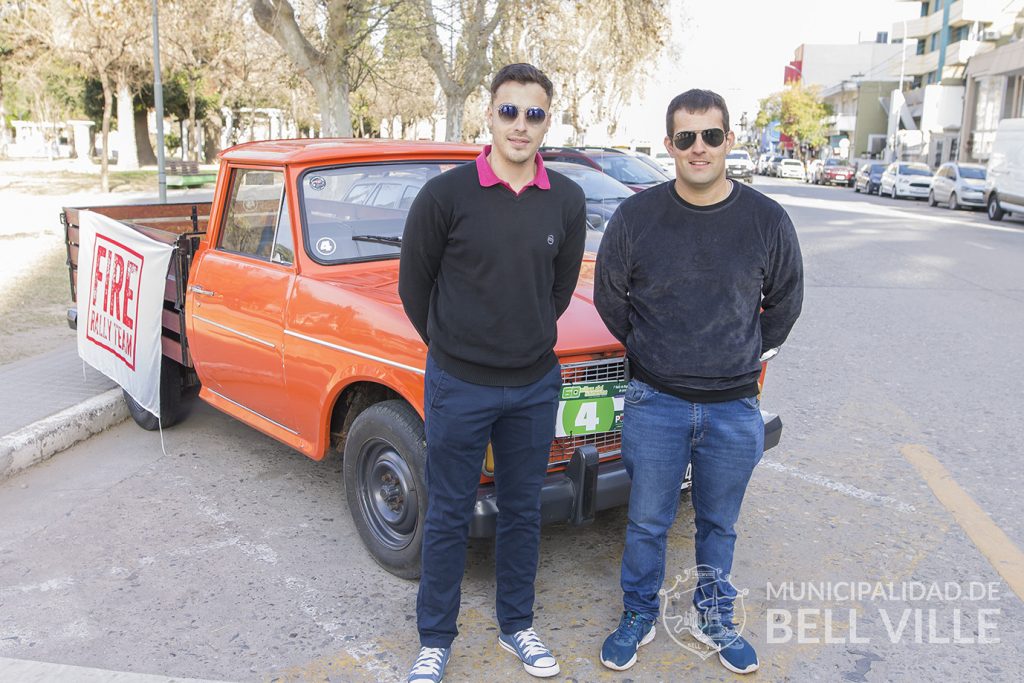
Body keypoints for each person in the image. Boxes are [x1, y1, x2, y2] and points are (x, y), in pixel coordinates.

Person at [593, 89, 803, 675]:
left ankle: (714, 616)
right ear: (670, 146)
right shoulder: (637, 217)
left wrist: (743, 352)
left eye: (711, 135)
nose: (699, 148)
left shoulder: (766, 220)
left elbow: (785, 301)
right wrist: (651, 350)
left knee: (719, 523)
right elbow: (611, 298)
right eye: (686, 138)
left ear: (729, 139)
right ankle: (637, 615)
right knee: (647, 522)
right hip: (654, 399)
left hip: (734, 405)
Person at [398, 63, 587, 683]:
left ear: (547, 122)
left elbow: (556, 293)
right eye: (510, 111)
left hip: (534, 386)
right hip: (459, 384)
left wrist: (520, 340)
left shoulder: (566, 198)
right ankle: (434, 639)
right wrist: (458, 347)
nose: (521, 125)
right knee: (450, 512)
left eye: (534, 114)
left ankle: (517, 627)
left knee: (522, 510)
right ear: (489, 114)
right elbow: (414, 286)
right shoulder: (446, 195)